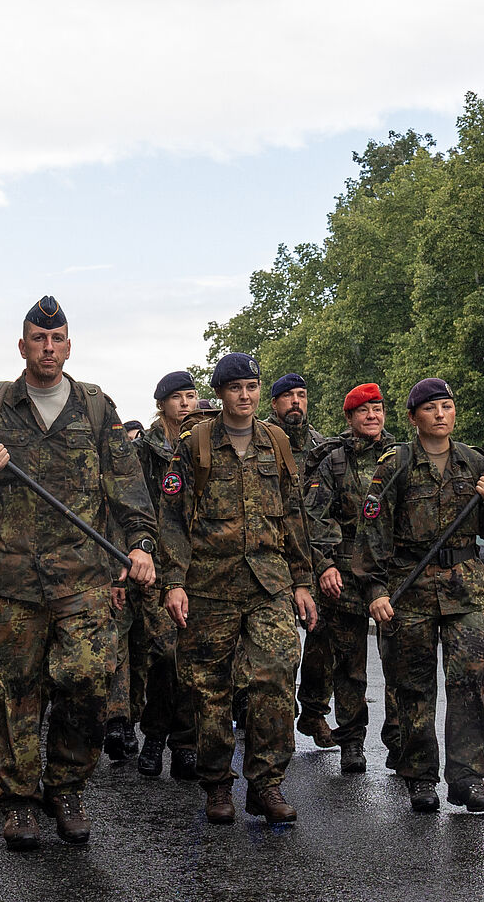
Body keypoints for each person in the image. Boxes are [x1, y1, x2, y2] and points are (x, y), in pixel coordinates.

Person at [0, 296, 157, 850]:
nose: (48, 348)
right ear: (22, 346)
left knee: (86, 683)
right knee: (13, 693)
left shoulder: (94, 405)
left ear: (69, 345)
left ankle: (66, 788)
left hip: (81, 576)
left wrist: (140, 544)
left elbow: (126, 484)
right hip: (10, 581)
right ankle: (18, 800)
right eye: (38, 339)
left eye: (57, 339)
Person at [159, 352, 317, 826]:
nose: (245, 396)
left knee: (275, 675)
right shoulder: (195, 445)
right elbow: (172, 519)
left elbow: (293, 515)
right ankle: (216, 786)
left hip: (269, 581)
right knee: (209, 688)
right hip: (209, 583)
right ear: (221, 393)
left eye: (251, 387)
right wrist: (173, 581)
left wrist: (304, 581)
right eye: (235, 388)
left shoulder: (277, 443)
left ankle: (266, 785)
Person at [358, 378, 484, 814]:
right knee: (413, 686)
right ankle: (420, 777)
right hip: (412, 588)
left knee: (472, 681)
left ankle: (468, 779)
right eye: (431, 408)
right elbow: (372, 533)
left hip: (465, 588)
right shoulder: (396, 465)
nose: (441, 414)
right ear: (413, 418)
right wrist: (375, 591)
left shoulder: (474, 461)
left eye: (447, 406)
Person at [298, 382, 397, 774]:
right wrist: (325, 565)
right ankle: (352, 739)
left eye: (378, 409)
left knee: (400, 663)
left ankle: (400, 740)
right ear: (350, 418)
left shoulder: (399, 457)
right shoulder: (333, 460)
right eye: (363, 411)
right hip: (343, 571)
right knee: (349, 663)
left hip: (390, 571)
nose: (372, 416)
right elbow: (314, 516)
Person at [127, 371, 202, 780]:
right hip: (156, 566)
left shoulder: (206, 444)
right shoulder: (144, 452)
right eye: (178, 398)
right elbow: (130, 506)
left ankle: (186, 742)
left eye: (192, 396)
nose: (186, 404)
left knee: (191, 656)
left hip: (200, 566)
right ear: (162, 405)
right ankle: (156, 733)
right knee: (165, 654)